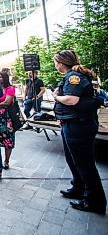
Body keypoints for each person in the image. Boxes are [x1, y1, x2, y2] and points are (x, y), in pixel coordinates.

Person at [53, 50, 106, 215]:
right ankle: (79, 187)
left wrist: (56, 97)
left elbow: (71, 99)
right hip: (72, 123)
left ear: (61, 63)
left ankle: (94, 201)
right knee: (73, 160)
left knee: (85, 164)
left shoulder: (73, 77)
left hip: (78, 126)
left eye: (56, 61)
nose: (55, 64)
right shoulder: (71, 76)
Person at [0, 71, 16, 170]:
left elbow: (7, 102)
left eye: (0, 77)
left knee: (8, 140)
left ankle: (6, 161)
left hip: (6, 118)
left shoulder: (10, 88)